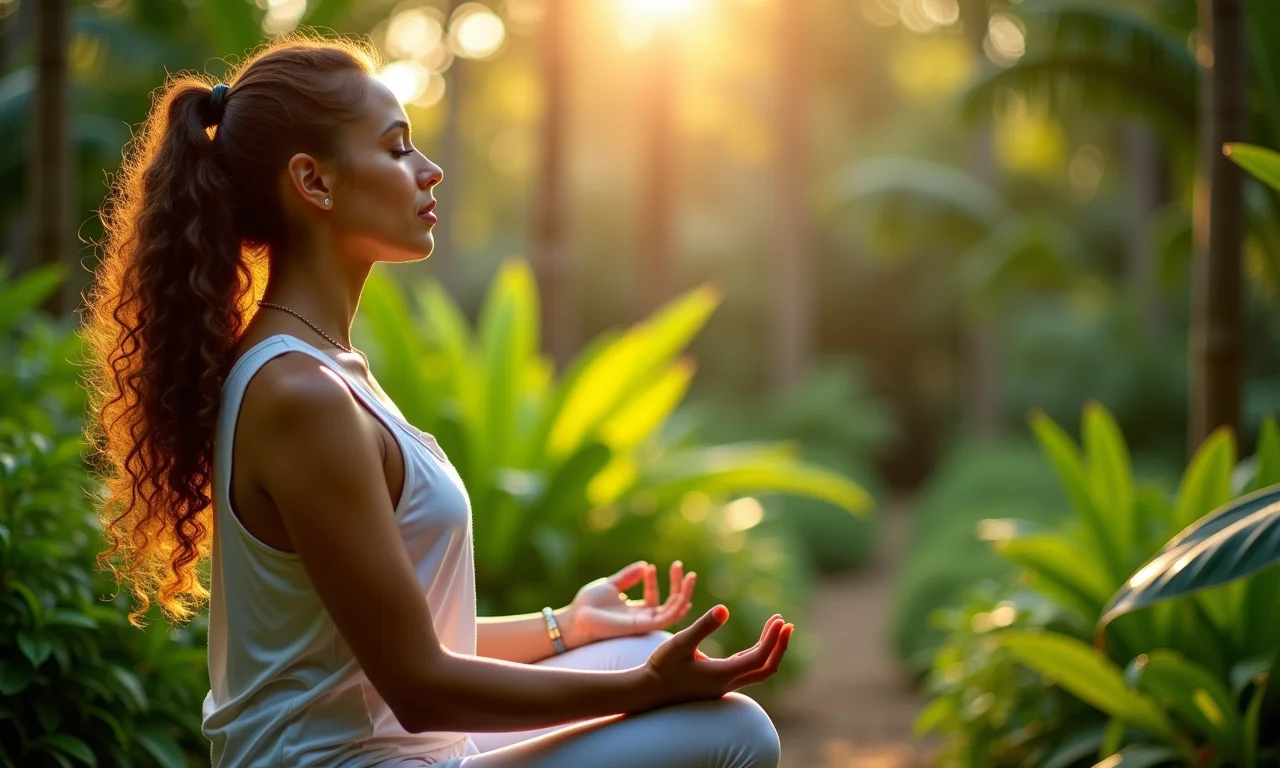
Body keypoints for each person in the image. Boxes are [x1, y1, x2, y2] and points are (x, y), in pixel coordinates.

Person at [82, 34, 793, 768]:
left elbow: (396, 638)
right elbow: (418, 686)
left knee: (631, 646)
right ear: (314, 183)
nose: (431, 170)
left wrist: (569, 627)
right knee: (737, 733)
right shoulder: (300, 395)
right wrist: (643, 690)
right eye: (396, 149)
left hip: (401, 745)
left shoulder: (324, 367)